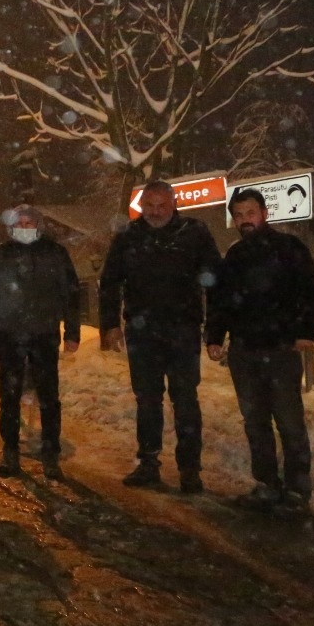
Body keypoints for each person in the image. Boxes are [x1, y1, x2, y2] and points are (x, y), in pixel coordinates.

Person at [99, 180, 223, 493]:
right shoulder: (128, 236)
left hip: (183, 329)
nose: (155, 212)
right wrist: (110, 325)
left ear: (174, 204)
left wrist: (215, 330)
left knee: (185, 399)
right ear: (141, 206)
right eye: (149, 206)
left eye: (161, 206)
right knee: (147, 399)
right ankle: (148, 462)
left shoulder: (194, 233)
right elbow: (110, 282)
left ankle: (190, 469)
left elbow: (216, 282)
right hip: (142, 332)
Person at [206, 188, 314, 510]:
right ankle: (267, 482)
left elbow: (308, 291)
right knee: (254, 420)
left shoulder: (289, 249)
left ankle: (298, 488)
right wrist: (215, 336)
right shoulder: (235, 256)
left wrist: (305, 332)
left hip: (281, 348)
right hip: (244, 350)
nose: (245, 220)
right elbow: (221, 301)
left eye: (250, 213)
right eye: (239, 215)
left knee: (288, 419)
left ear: (264, 214)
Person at [0, 204, 81, 480]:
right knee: (9, 396)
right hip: (9, 335)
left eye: (29, 223)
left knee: (48, 396)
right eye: (19, 224)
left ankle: (50, 455)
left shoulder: (55, 254)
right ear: (11, 227)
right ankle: (10, 453)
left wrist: (72, 332)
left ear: (38, 226)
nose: (24, 228)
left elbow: (70, 294)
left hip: (44, 334)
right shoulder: (0, 255)